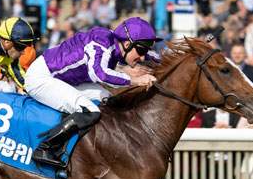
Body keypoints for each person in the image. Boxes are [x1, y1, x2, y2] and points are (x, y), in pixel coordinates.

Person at [25, 16, 158, 167]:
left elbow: (153, 56)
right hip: (41, 78)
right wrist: (134, 80)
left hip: (63, 79)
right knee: (91, 111)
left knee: (107, 99)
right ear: (127, 44)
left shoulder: (117, 43)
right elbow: (99, 74)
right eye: (141, 50)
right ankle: (45, 148)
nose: (142, 57)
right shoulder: (100, 43)